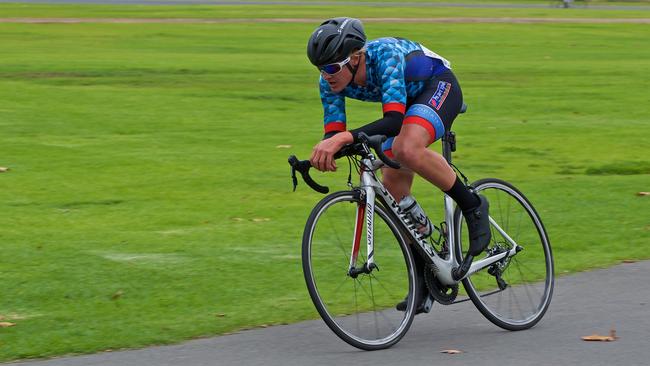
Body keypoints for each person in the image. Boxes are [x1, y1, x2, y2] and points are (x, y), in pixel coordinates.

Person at [306, 17, 491, 312]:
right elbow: (335, 134)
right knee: (392, 187)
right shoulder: (329, 82)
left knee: (406, 147)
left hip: (437, 86)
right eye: (320, 69)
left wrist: (341, 139)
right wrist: (321, 155)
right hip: (406, 103)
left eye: (331, 68)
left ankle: (472, 205)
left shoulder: (385, 56)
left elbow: (393, 121)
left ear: (355, 58)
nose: (326, 75)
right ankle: (424, 276)